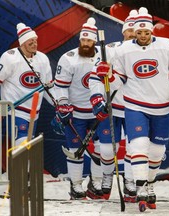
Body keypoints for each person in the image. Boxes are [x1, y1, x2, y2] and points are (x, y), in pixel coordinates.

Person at [93, 7, 169, 211]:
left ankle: (148, 184)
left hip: (163, 106)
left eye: (146, 32)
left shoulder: (166, 46)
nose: (142, 36)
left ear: (151, 31)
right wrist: (109, 77)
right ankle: (139, 188)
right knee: (138, 146)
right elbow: (118, 81)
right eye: (138, 32)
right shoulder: (123, 50)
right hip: (135, 105)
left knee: (157, 152)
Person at [0, 23, 54, 194]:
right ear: (22, 43)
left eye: (35, 40)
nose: (34, 44)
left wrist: (59, 105)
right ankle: (21, 179)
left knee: (26, 145)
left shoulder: (42, 59)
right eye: (30, 41)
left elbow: (48, 87)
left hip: (34, 112)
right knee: (22, 143)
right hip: (15, 110)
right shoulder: (10, 57)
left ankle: (22, 180)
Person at [53, 17, 106, 200]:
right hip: (76, 113)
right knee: (75, 150)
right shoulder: (68, 59)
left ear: (94, 41)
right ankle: (76, 184)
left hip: (98, 111)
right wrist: (63, 104)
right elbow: (59, 85)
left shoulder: (104, 56)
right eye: (83, 40)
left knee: (101, 149)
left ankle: (96, 181)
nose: (85, 44)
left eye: (89, 40)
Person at [105, 9, 138, 203]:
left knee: (134, 147)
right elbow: (98, 74)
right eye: (129, 31)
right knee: (109, 149)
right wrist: (99, 97)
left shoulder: (146, 50)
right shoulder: (111, 48)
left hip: (136, 106)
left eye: (135, 31)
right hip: (114, 105)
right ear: (123, 32)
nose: (132, 34)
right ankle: (106, 179)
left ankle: (130, 181)